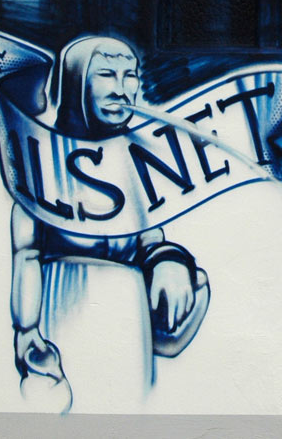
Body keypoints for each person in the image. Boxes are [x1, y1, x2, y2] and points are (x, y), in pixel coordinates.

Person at [11, 35, 209, 395]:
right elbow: (27, 253)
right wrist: (27, 333)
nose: (121, 89)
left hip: (128, 327)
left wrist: (170, 262)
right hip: (64, 322)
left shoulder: (134, 162)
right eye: (105, 74)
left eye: (129, 75)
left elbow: (151, 240)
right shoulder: (42, 161)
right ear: (76, 82)